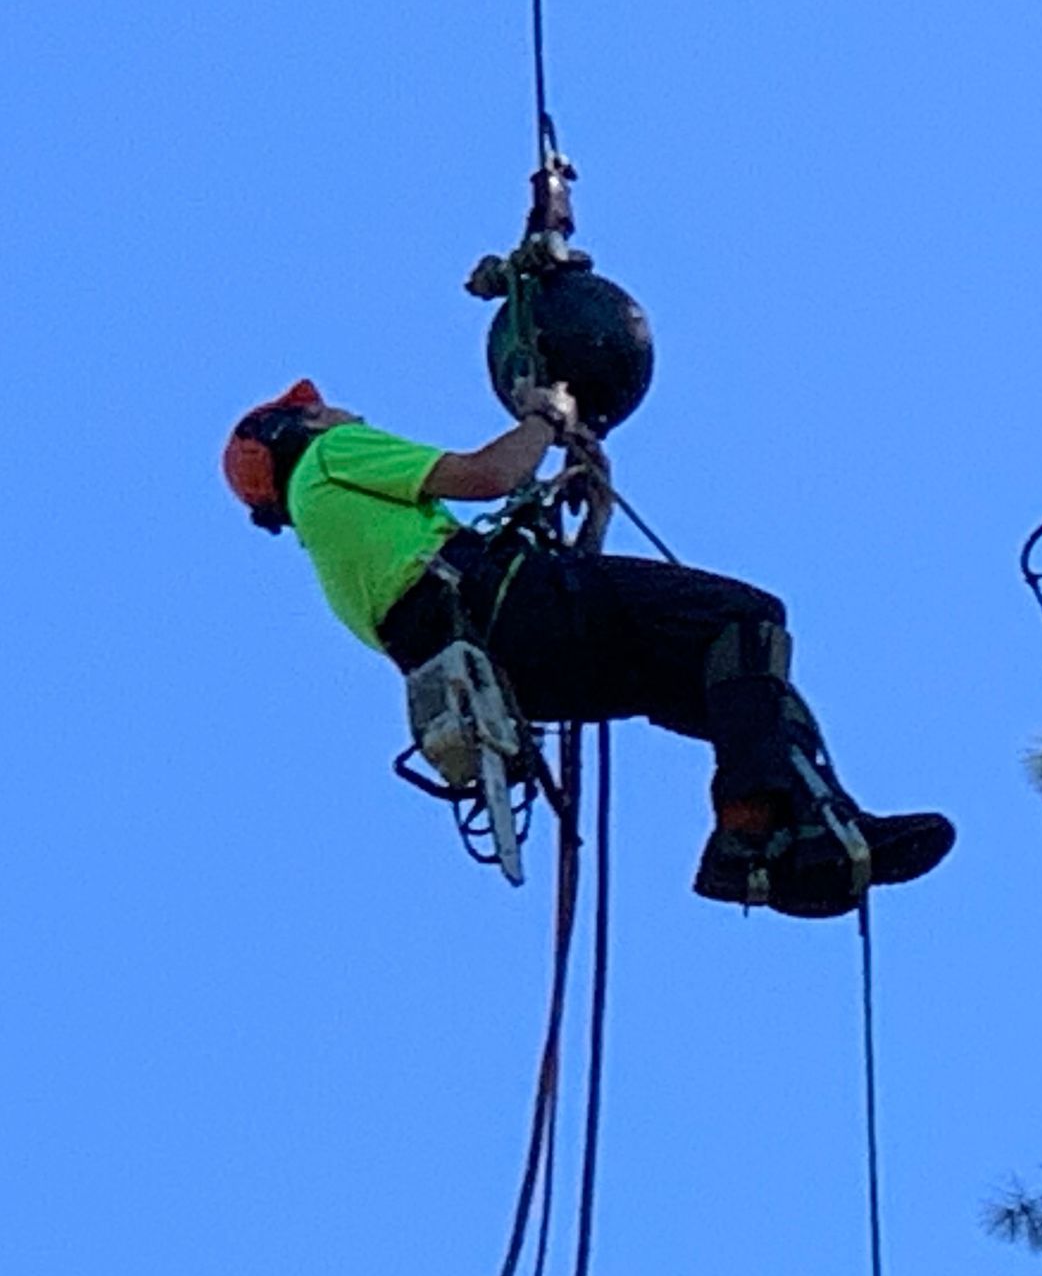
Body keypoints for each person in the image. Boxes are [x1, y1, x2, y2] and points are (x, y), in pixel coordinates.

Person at [221, 378, 954, 917]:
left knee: (742, 687)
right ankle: (748, 827)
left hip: (519, 677)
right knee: (749, 616)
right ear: (296, 430)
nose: (340, 409)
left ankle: (811, 833)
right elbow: (488, 476)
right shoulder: (331, 457)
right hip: (516, 608)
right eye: (315, 409)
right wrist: (548, 416)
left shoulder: (332, 556)